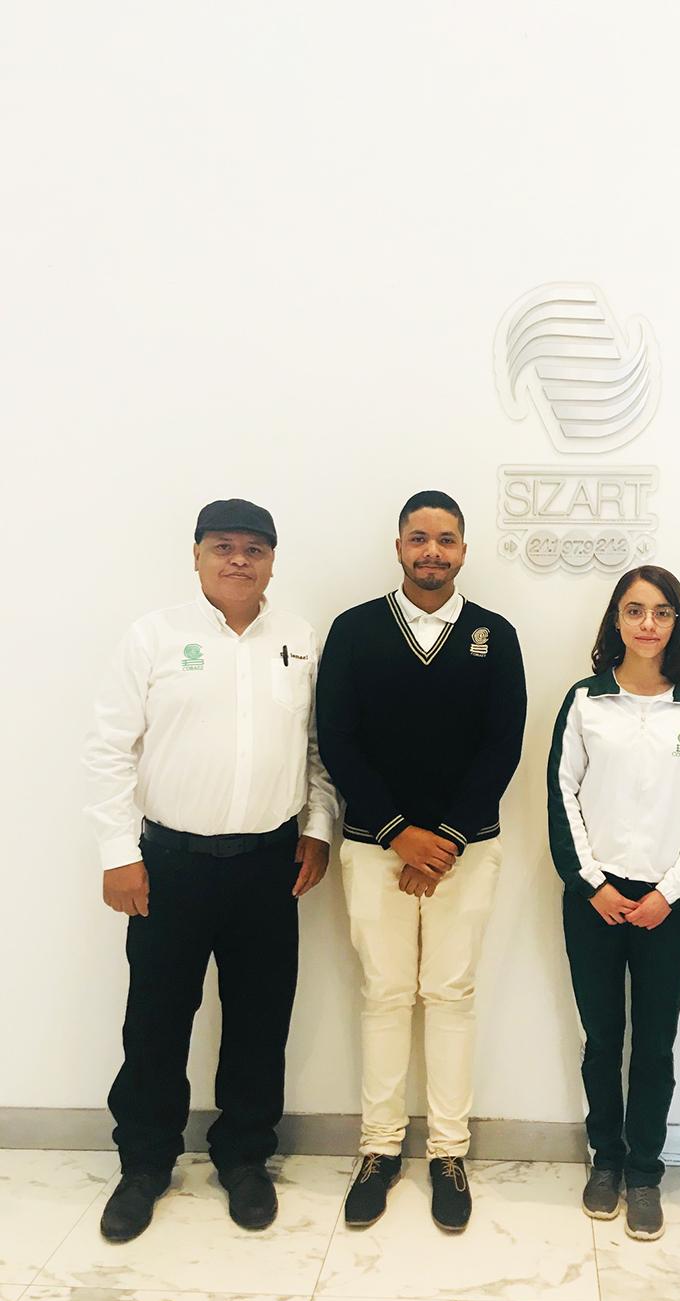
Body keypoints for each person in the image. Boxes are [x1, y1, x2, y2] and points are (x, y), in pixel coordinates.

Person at [83, 498, 337, 1243]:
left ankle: (245, 1156)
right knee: (156, 1019)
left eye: (254, 549)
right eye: (223, 546)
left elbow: (319, 749)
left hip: (268, 865)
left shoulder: (299, 640)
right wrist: (119, 853)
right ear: (195, 555)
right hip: (169, 864)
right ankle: (144, 1163)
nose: (238, 560)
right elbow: (108, 748)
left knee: (261, 1018)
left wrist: (317, 829)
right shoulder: (154, 637)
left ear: (272, 562)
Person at [316, 489, 526, 1233]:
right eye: (419, 537)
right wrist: (400, 834)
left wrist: (445, 842)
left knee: (449, 995)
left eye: (445, 539)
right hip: (376, 846)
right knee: (385, 993)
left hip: (467, 850)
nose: (432, 550)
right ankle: (378, 1148)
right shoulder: (355, 630)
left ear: (464, 549)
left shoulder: (494, 635)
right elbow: (338, 739)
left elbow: (503, 745)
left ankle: (448, 1153)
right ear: (398, 546)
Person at [547, 566, 680, 1241]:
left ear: (677, 621)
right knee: (601, 1041)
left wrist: (670, 892)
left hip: (664, 907)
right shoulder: (586, 700)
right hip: (594, 901)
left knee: (654, 1044)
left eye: (661, 612)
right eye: (634, 610)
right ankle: (607, 1160)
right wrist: (591, 882)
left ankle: (645, 1171)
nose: (648, 624)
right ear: (615, 620)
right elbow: (562, 792)